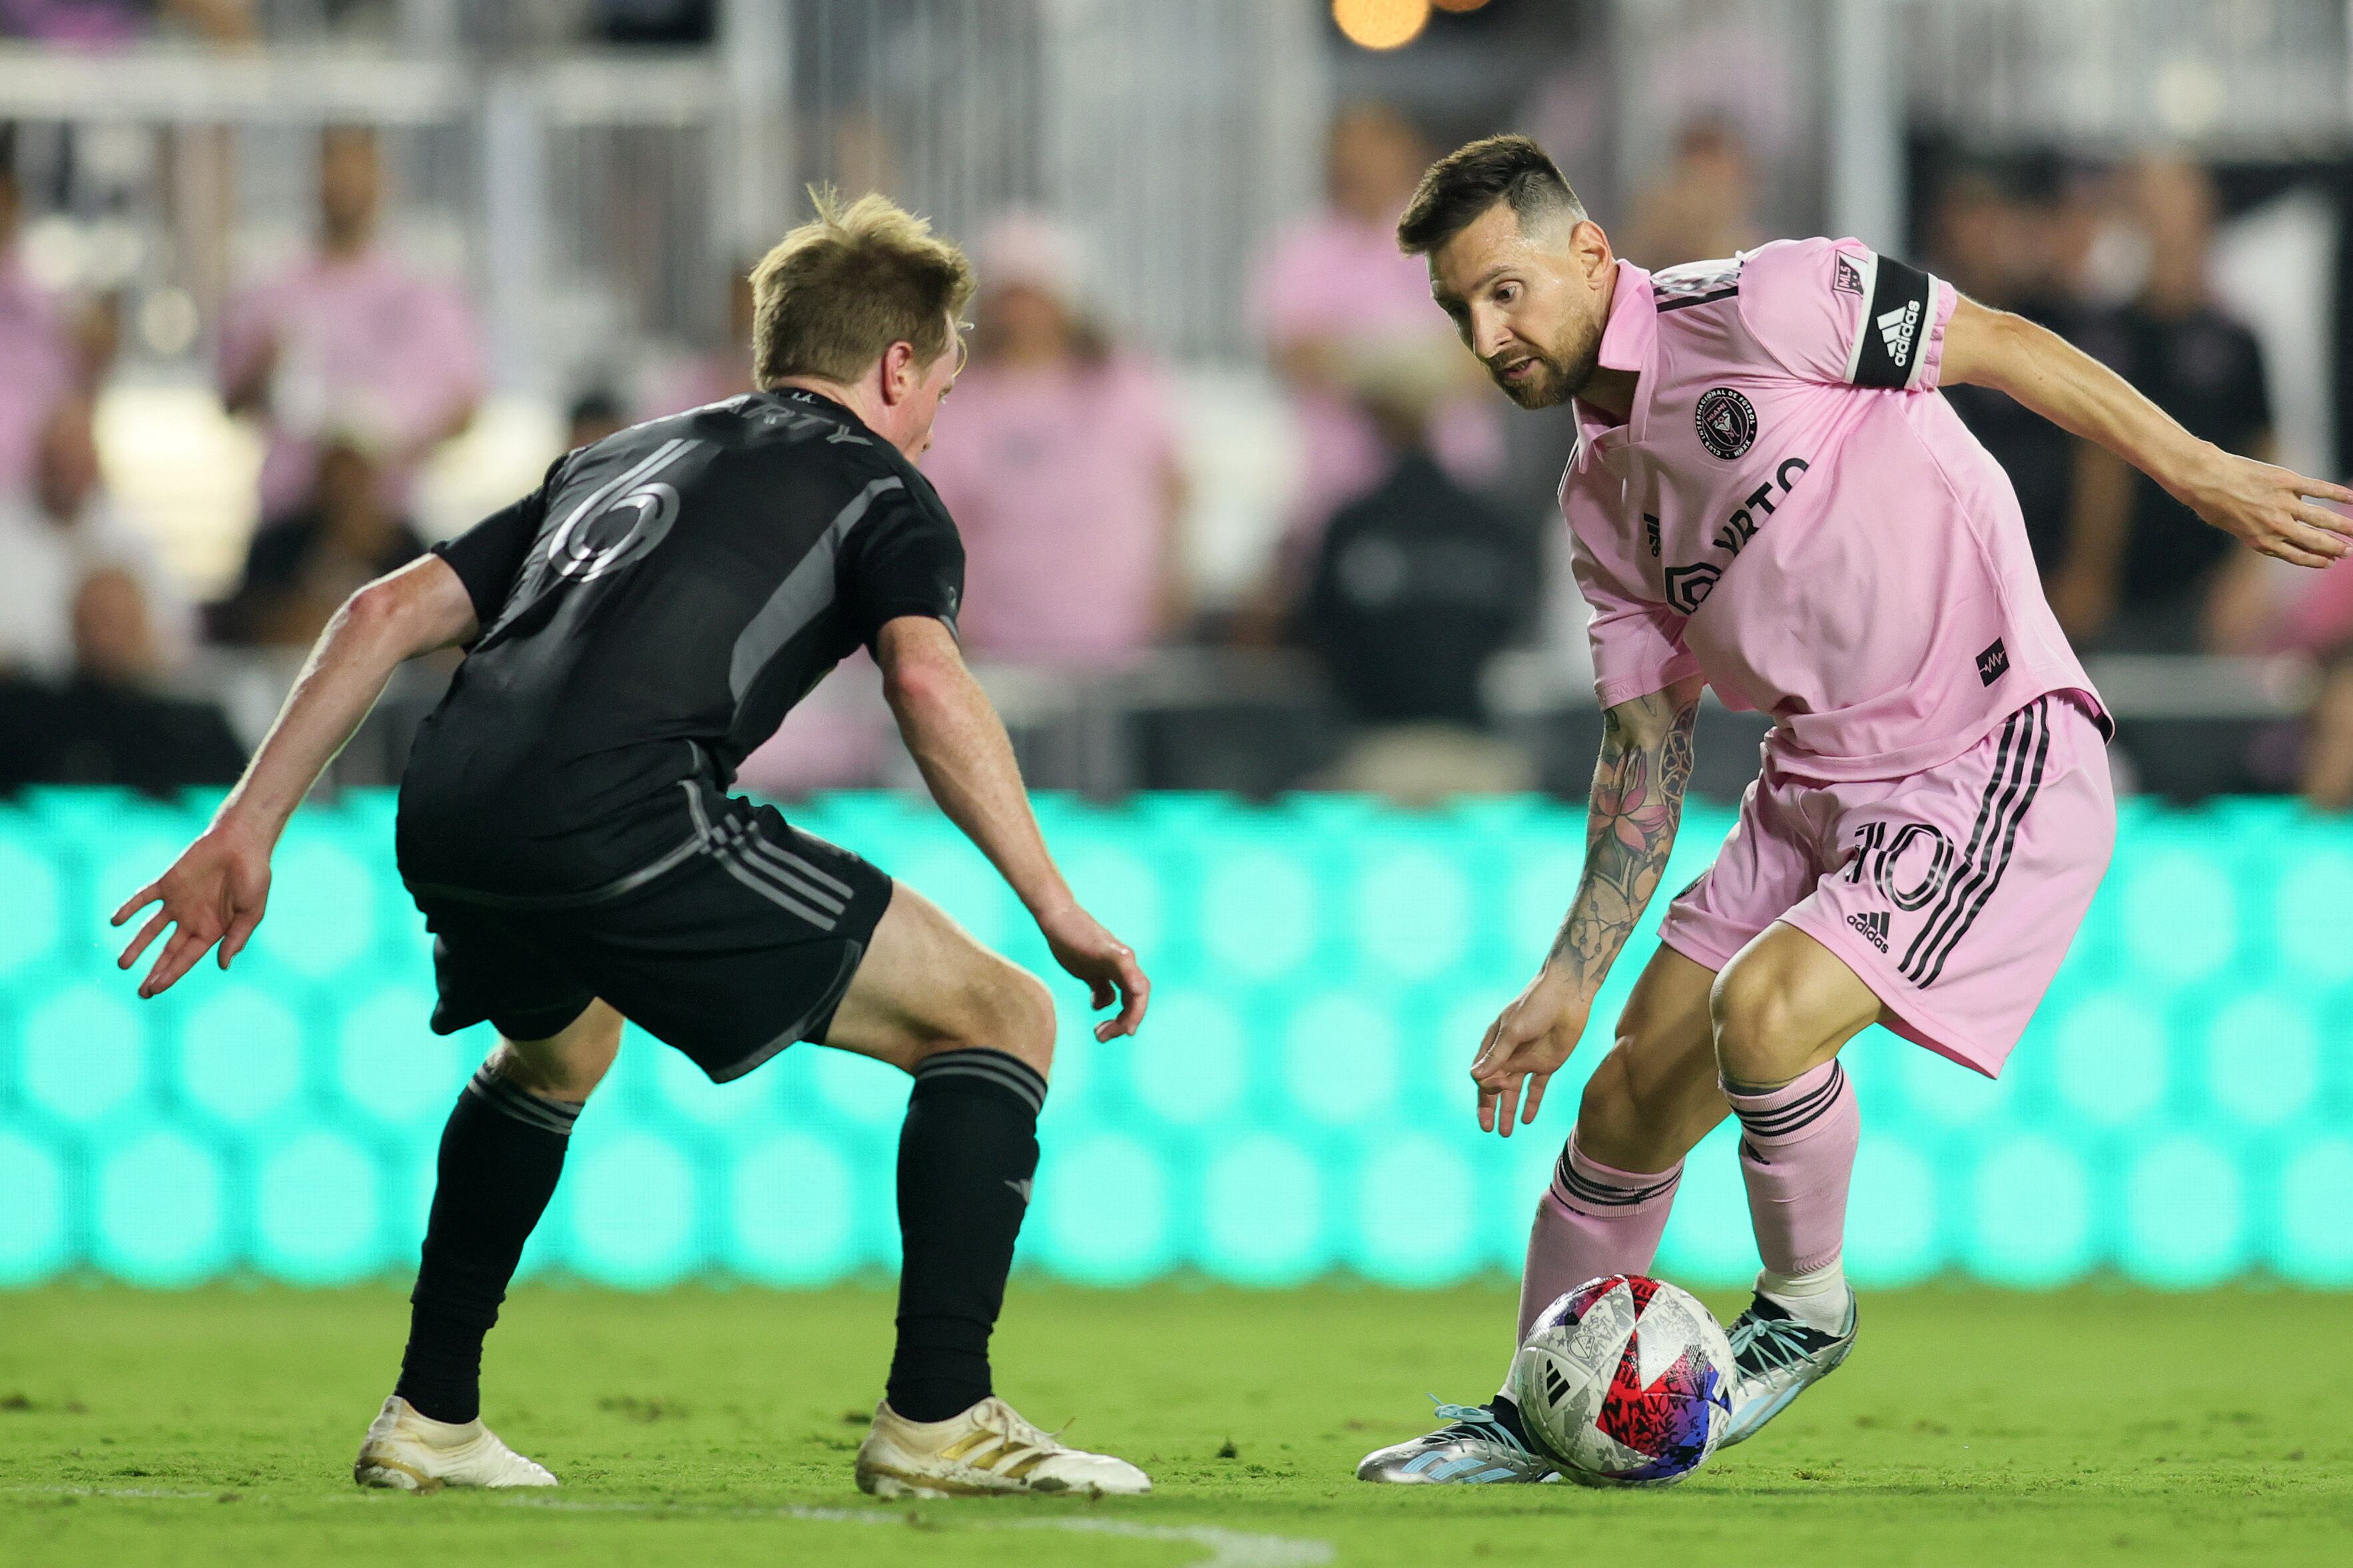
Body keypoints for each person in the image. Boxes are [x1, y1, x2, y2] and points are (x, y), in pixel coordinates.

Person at [112, 191, 1154, 1499]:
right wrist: (1054, 904)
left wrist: (245, 822)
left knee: (561, 1038)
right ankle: (937, 1417)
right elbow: (927, 684)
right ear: (896, 365)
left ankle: (430, 1417)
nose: (941, 409)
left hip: (451, 809)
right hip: (620, 815)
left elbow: (383, 610)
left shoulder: (619, 454)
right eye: (943, 376)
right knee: (997, 1015)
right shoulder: (883, 485)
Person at [1352, 136, 2348, 1483]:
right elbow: (1645, 746)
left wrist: (2197, 468)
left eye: (1506, 290)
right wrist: (1568, 974)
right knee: (1620, 1105)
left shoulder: (1764, 299)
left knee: (1759, 1014)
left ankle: (1802, 1310)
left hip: (1981, 747)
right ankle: (1537, 1408)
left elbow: (1996, 343)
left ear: (1587, 253)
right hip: (1808, 785)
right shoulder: (1596, 494)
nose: (1486, 334)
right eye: (1458, 310)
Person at [1249, 104, 1497, 623]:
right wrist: (1405, 366)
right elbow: (1295, 353)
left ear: (1408, 159)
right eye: (1347, 154)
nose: (1358, 166)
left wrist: (1361, 358)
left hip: (1448, 482)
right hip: (1339, 486)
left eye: (1373, 152)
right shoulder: (1302, 250)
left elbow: (1492, 354)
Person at [920, 214, 1187, 666]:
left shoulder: (1121, 381)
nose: (1023, 314)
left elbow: (1172, 482)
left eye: (1036, 296)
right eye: (1011, 298)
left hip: (1118, 637)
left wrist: (1172, 573)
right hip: (1004, 646)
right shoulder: (959, 398)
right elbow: (941, 511)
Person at [2053, 156, 2278, 651]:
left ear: (2205, 212)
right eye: (2152, 203)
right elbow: (2095, 461)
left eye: (2176, 200)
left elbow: (2266, 450)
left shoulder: (2236, 339)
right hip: (2118, 591)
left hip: (2207, 591)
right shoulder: (2104, 335)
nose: (2165, 217)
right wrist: (2087, 570)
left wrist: (2249, 574)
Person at [217, 125, 482, 527]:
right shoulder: (272, 286)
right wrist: (264, 366)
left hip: (387, 517)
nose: (345, 184)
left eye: (358, 170)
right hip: (291, 512)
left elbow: (465, 405)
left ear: (382, 180)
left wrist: (388, 454)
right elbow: (231, 400)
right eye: (335, 170)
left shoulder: (422, 289)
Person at [0, 393, 192, 678]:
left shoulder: (131, 538)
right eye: (61, 458)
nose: (70, 472)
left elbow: (173, 637)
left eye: (80, 459)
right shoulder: (6, 533)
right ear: (40, 459)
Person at [207, 435, 427, 647]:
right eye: (336, 478)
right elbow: (249, 615)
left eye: (354, 478)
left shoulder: (401, 545)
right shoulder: (280, 543)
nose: (344, 492)